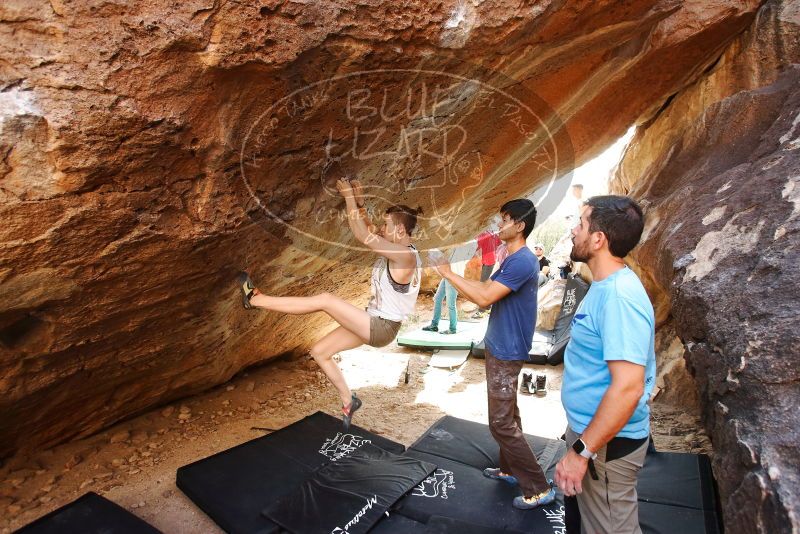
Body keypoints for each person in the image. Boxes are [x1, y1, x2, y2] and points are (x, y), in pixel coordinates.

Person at [237, 178, 422, 429]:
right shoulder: (399, 248)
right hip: (372, 320)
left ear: (400, 231)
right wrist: (359, 202)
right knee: (320, 352)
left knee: (325, 300)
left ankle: (256, 299)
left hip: (381, 327)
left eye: (386, 225)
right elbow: (369, 229)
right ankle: (349, 400)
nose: (381, 228)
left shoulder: (405, 256)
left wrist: (347, 196)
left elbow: (362, 234)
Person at [431, 199, 555, 510]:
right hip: (504, 344)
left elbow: (485, 298)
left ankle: (538, 487)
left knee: (500, 423)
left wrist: (447, 273)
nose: (499, 226)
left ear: (520, 225)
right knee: (509, 415)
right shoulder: (514, 258)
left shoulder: (522, 261)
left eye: (504, 221)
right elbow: (488, 288)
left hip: (507, 349)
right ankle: (509, 469)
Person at [554, 195, 656, 534]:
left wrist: (582, 452)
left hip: (605, 448)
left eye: (580, 224)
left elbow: (628, 388)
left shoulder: (619, 297)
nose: (573, 230)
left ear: (598, 239)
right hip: (593, 438)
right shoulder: (604, 286)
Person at [422, 243, 475, 335]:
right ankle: (434, 325)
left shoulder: (469, 245)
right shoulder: (459, 245)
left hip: (454, 277)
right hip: (448, 275)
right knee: (437, 298)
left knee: (450, 304)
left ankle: (452, 329)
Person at [472, 227, 501, 318]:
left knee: (483, 286)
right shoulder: (493, 233)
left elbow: (475, 245)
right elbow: (498, 244)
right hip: (492, 260)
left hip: (488, 262)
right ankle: (488, 307)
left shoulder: (484, 233)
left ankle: (482, 310)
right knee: (486, 285)